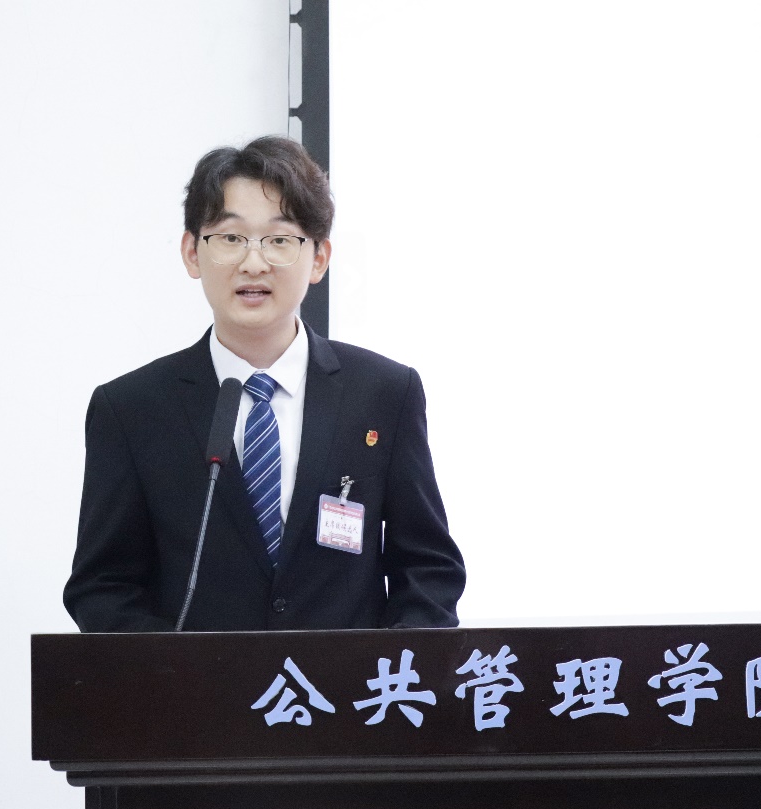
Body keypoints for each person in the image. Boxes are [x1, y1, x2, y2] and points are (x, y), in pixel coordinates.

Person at [63, 136, 464, 632]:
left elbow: (428, 571)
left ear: (319, 258)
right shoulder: (131, 408)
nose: (253, 263)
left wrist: (386, 661)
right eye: (231, 238)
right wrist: (180, 672)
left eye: (279, 240)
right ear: (192, 253)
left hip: (343, 682)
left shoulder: (384, 393)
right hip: (196, 683)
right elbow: (103, 588)